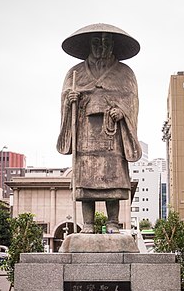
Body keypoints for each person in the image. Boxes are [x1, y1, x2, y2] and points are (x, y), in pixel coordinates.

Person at [57, 24, 142, 233]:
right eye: (96, 42)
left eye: (105, 43)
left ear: (112, 45)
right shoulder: (75, 73)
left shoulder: (125, 73)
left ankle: (113, 222)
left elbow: (132, 100)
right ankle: (88, 224)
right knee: (86, 181)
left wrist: (122, 112)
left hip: (112, 134)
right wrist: (70, 100)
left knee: (112, 179)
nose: (101, 47)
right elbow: (65, 98)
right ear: (89, 45)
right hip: (85, 133)